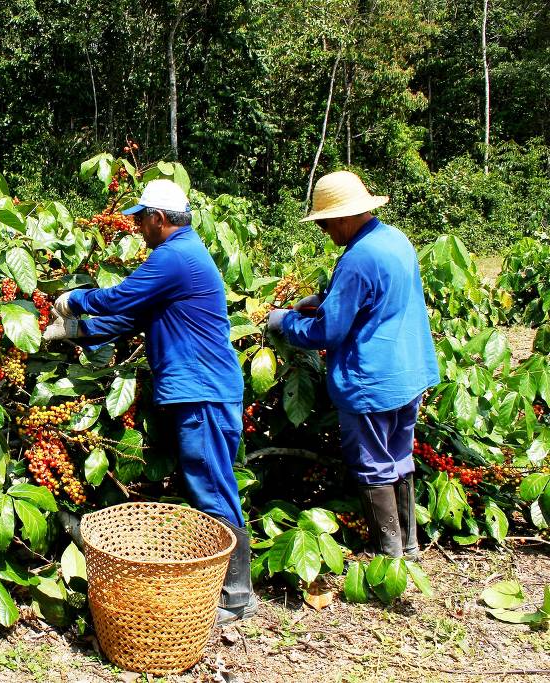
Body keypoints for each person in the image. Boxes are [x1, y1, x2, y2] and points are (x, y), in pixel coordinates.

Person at [43, 179, 254, 624]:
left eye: (141, 219)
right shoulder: (182, 255)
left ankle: (236, 596)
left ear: (159, 219)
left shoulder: (175, 257)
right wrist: (75, 332)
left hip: (203, 390)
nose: (137, 227)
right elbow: (131, 316)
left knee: (212, 486)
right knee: (206, 483)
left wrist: (74, 299)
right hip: (198, 388)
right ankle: (226, 590)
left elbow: (118, 297)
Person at [267, 170, 439, 559]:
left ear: (343, 217)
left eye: (325, 224)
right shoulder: (395, 239)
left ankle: (388, 556)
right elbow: (377, 300)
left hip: (371, 380)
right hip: (408, 372)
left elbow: (328, 331)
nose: (326, 232)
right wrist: (325, 298)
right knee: (398, 457)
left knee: (373, 465)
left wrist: (285, 322)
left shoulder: (357, 258)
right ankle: (408, 547)